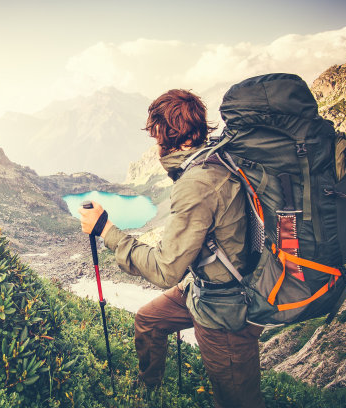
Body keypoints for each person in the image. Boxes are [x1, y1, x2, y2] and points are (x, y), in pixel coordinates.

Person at [78, 89, 265, 408]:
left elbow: (165, 270)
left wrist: (105, 230)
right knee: (149, 321)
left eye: (158, 137)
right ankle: (149, 391)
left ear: (171, 136)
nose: (157, 146)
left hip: (227, 308)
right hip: (202, 287)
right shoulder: (214, 157)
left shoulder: (198, 184)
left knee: (237, 400)